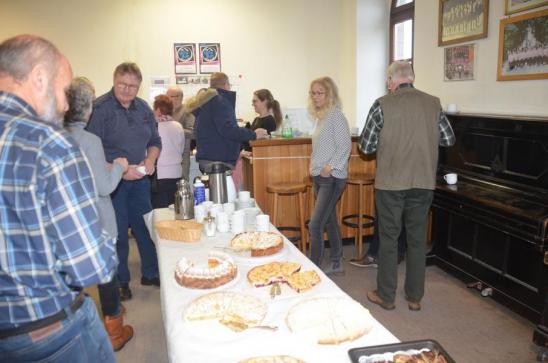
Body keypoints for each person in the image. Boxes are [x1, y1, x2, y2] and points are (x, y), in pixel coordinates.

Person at [0, 35, 117, 362]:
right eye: (65, 90)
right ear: (38, 77)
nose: (67, 106)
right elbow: (91, 267)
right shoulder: (48, 143)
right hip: (50, 332)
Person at [359, 61, 455, 311]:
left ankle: (386, 296)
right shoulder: (433, 103)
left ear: (391, 80)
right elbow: (448, 139)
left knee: (389, 239)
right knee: (416, 240)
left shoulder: (382, 104)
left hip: (391, 183)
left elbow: (365, 147)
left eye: (387, 81)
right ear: (412, 77)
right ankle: (414, 297)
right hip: (423, 182)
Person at [64, 77, 134, 351]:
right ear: (88, 109)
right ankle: (114, 328)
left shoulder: (54, 135)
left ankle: (79, 324)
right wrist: (118, 166)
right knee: (107, 272)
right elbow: (104, 187)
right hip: (96, 219)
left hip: (69, 221)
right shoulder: (90, 140)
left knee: (72, 278)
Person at [87, 62, 162, 301]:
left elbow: (155, 141)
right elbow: (90, 153)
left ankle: (150, 273)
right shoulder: (99, 109)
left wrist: (150, 160)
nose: (127, 89)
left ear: (138, 87)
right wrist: (120, 170)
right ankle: (121, 282)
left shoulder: (143, 108)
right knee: (117, 233)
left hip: (140, 180)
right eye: (122, 84)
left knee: (145, 228)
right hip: (112, 182)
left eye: (132, 86)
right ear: (114, 80)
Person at [308, 77, 351, 275]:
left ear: (330, 94)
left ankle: (313, 268)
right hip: (320, 176)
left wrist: (330, 167)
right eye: (313, 93)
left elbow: (345, 147)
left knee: (316, 225)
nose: (315, 97)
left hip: (332, 178)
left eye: (320, 93)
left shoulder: (336, 116)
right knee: (330, 220)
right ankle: (336, 261)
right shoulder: (321, 117)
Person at [193, 72, 268, 173]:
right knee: (222, 189)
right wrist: (254, 134)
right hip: (219, 159)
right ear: (226, 84)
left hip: (208, 157)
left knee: (214, 188)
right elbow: (228, 129)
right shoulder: (220, 101)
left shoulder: (205, 102)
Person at [151, 94, 185, 208]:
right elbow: (181, 148)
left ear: (157, 109)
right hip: (176, 173)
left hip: (160, 175)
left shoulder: (154, 127)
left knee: (161, 212)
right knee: (175, 209)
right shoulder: (178, 126)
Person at [166, 85, 194, 181]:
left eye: (176, 96)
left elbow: (193, 133)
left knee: (182, 186)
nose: (174, 99)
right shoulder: (165, 112)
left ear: (182, 97)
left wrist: (175, 128)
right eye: (171, 96)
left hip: (182, 159)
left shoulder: (188, 111)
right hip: (166, 158)